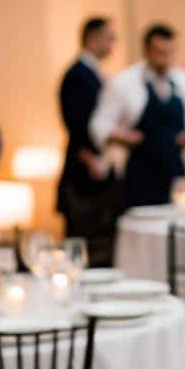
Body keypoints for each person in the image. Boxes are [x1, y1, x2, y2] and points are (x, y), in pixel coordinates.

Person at [89, 23, 185, 209]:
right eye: (159, 53)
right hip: (140, 173)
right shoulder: (123, 83)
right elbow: (99, 126)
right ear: (146, 51)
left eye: (170, 53)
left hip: (174, 173)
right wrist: (123, 137)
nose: (165, 59)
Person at [56, 16, 117, 233]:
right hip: (84, 170)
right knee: (84, 237)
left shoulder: (93, 73)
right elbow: (76, 121)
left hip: (96, 167)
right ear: (93, 38)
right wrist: (90, 157)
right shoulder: (77, 75)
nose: (113, 45)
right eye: (110, 38)